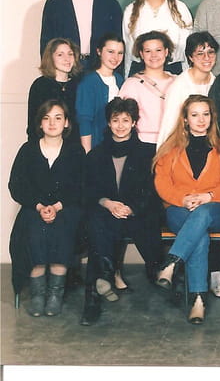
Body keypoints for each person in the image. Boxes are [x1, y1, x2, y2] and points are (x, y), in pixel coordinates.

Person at [79, 98, 163, 325]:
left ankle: (105, 277)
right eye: (115, 120)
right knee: (97, 223)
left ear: (134, 122)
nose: (120, 125)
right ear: (108, 122)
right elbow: (89, 190)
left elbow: (152, 191)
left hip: (138, 214)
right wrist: (108, 203)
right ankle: (92, 302)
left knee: (101, 233)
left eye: (126, 120)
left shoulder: (148, 152)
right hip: (107, 213)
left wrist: (131, 208)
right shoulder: (96, 154)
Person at [153, 95, 220, 324]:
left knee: (203, 214)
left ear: (212, 117)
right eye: (194, 115)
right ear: (185, 119)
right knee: (200, 237)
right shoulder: (170, 148)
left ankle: (171, 263)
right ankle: (198, 301)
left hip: (214, 209)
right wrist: (183, 199)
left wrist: (208, 196)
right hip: (179, 209)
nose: (201, 119)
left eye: (205, 114)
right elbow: (162, 183)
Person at [9, 100, 85, 317]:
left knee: (62, 229)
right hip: (34, 208)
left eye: (58, 118)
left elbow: (81, 187)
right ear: (40, 123)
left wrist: (57, 207)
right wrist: (40, 206)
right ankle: (38, 295)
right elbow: (16, 186)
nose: (52, 123)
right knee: (34, 230)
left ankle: (54, 295)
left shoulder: (75, 151)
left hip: (66, 208)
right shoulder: (28, 150)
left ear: (66, 122)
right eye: (46, 118)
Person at [123, 0, 192, 76]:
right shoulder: (131, 10)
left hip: (173, 69)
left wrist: (185, 78)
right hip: (141, 70)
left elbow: (187, 48)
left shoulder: (180, 8)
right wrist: (127, 77)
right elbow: (128, 49)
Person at [156, 32, 220, 148]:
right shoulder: (179, 86)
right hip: (183, 147)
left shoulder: (216, 82)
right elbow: (168, 126)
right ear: (190, 57)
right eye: (200, 54)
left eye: (211, 52)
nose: (207, 58)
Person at [118, 30, 177, 148]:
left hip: (173, 143)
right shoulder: (132, 83)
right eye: (148, 51)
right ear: (141, 54)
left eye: (158, 50)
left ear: (166, 52)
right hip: (142, 144)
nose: (153, 55)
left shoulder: (177, 81)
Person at [75, 33, 125, 152]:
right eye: (110, 52)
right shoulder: (89, 82)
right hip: (96, 146)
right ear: (99, 51)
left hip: (115, 145)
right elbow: (84, 121)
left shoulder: (120, 80)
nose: (115, 57)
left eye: (120, 53)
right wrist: (88, 154)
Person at [28, 38, 83, 140]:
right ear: (50, 58)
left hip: (74, 144)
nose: (67, 59)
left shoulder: (80, 84)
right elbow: (33, 124)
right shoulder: (40, 85)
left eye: (70, 54)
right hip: (46, 144)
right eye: (60, 55)